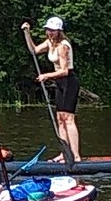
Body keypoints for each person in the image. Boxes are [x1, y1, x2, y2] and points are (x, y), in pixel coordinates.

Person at [25, 14, 83, 165]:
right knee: (60, 119)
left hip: (69, 81)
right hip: (59, 82)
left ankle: (75, 155)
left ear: (59, 31)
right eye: (48, 29)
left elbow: (64, 71)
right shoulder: (50, 42)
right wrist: (26, 33)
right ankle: (64, 153)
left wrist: (46, 76)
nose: (50, 32)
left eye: (53, 30)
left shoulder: (63, 45)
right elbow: (34, 51)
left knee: (68, 119)